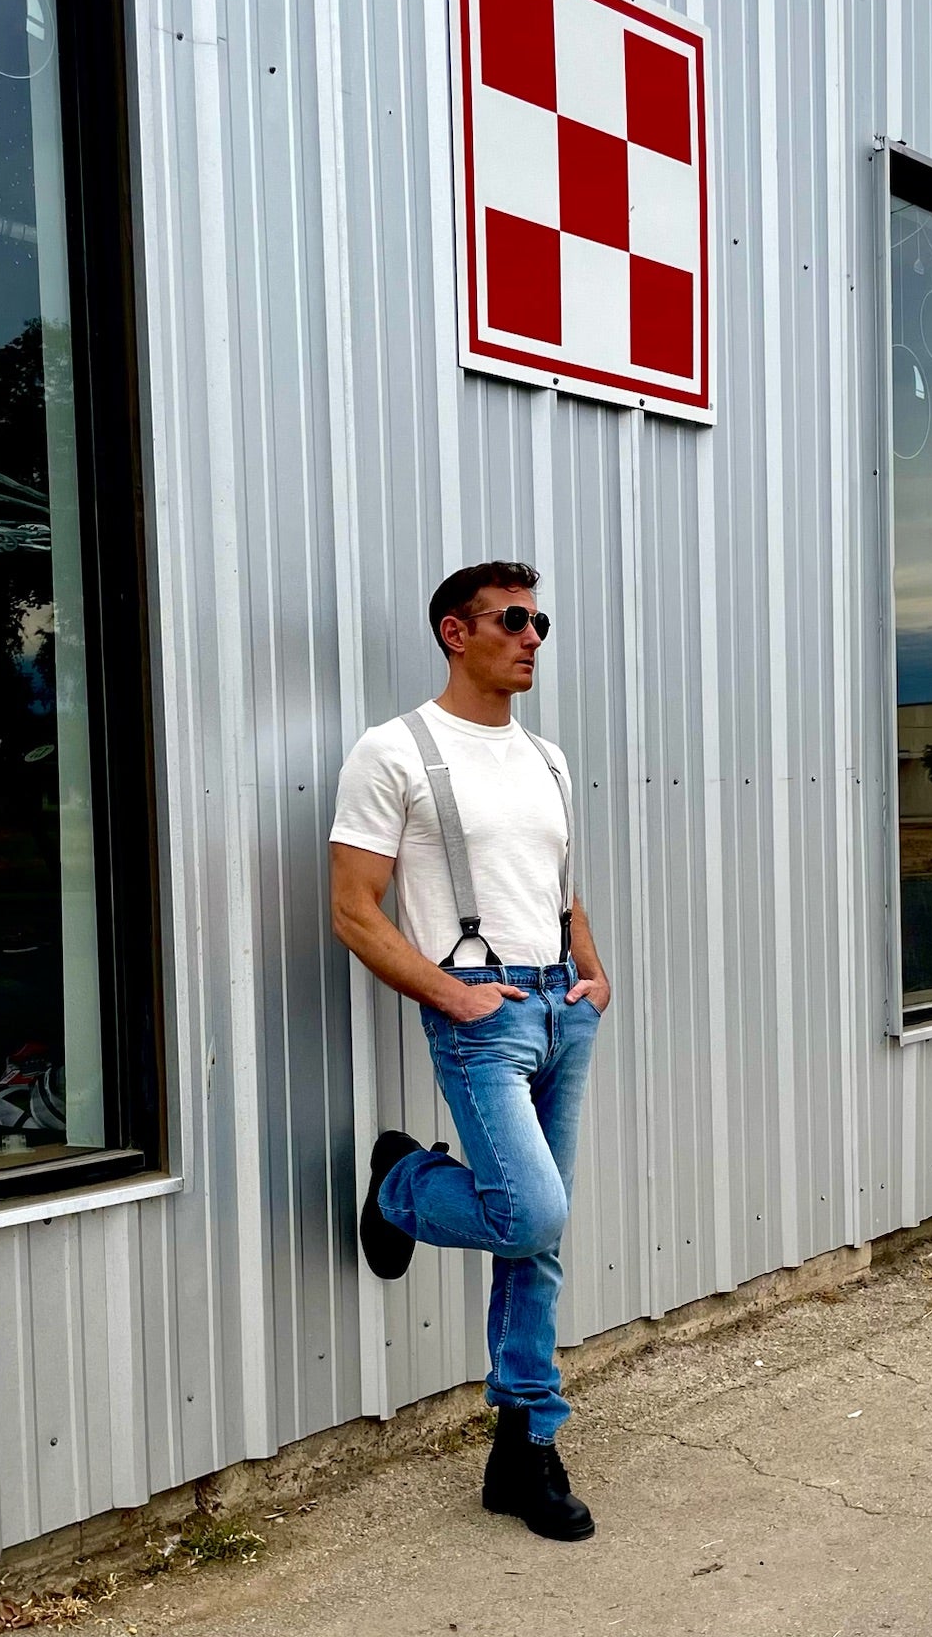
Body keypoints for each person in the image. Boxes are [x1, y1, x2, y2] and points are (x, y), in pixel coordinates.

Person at [330, 560, 611, 1542]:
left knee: (539, 1239)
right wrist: (454, 994)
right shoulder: (394, 750)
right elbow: (353, 909)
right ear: (457, 631)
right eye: (513, 618)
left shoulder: (549, 756)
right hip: (478, 1011)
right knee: (531, 1210)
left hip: (559, 1007)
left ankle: (523, 1446)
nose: (533, 635)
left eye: (541, 618)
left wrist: (592, 972)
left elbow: (557, 882)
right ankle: (400, 1184)